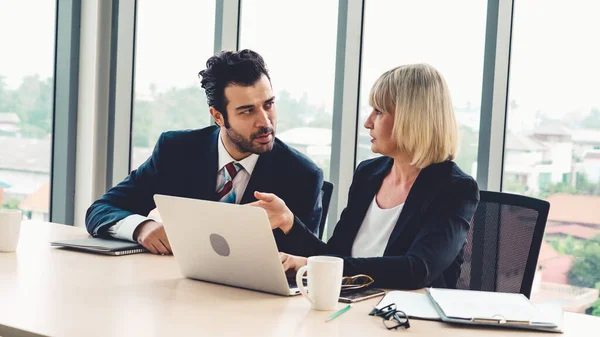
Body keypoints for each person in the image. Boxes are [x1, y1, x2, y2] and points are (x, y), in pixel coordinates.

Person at [250, 63, 479, 289]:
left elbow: (417, 270)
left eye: (379, 112)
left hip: (406, 319)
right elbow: (335, 255)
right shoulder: (369, 173)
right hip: (351, 308)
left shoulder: (455, 189)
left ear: (412, 119)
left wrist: (313, 265)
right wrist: (288, 221)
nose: (367, 122)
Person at [85, 49, 323, 255]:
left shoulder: (302, 174)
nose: (265, 122)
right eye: (247, 111)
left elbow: (310, 259)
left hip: (254, 302)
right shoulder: (176, 151)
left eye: (268, 104)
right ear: (218, 116)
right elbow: (101, 210)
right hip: (176, 291)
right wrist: (141, 228)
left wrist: (289, 223)